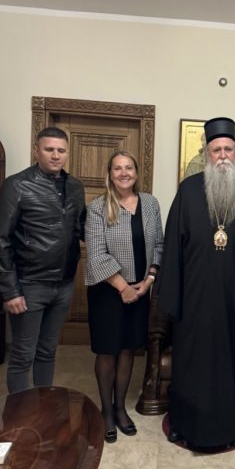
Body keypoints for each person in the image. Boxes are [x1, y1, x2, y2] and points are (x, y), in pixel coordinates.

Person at [158, 117, 235, 449]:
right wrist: (173, 298)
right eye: (216, 149)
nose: (223, 156)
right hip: (193, 300)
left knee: (228, 365)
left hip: (232, 302)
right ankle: (183, 424)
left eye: (228, 149)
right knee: (190, 363)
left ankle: (229, 426)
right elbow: (173, 246)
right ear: (207, 153)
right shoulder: (189, 189)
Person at [85, 150, 163, 443]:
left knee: (129, 349)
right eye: (117, 168)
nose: (123, 173)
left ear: (136, 173)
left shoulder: (151, 204)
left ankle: (120, 408)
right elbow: (96, 254)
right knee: (108, 351)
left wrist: (149, 280)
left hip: (141, 290)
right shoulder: (97, 207)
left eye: (129, 167)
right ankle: (106, 411)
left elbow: (159, 245)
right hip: (107, 291)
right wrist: (124, 287)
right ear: (110, 174)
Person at [0, 127, 85, 393]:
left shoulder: (75, 187)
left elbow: (81, 229)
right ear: (36, 150)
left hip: (64, 284)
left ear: (67, 153)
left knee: (48, 351)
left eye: (61, 150)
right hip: (29, 285)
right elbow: (2, 239)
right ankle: (19, 413)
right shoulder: (17, 184)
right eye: (49, 149)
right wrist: (10, 290)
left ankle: (43, 409)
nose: (55, 155)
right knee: (22, 355)